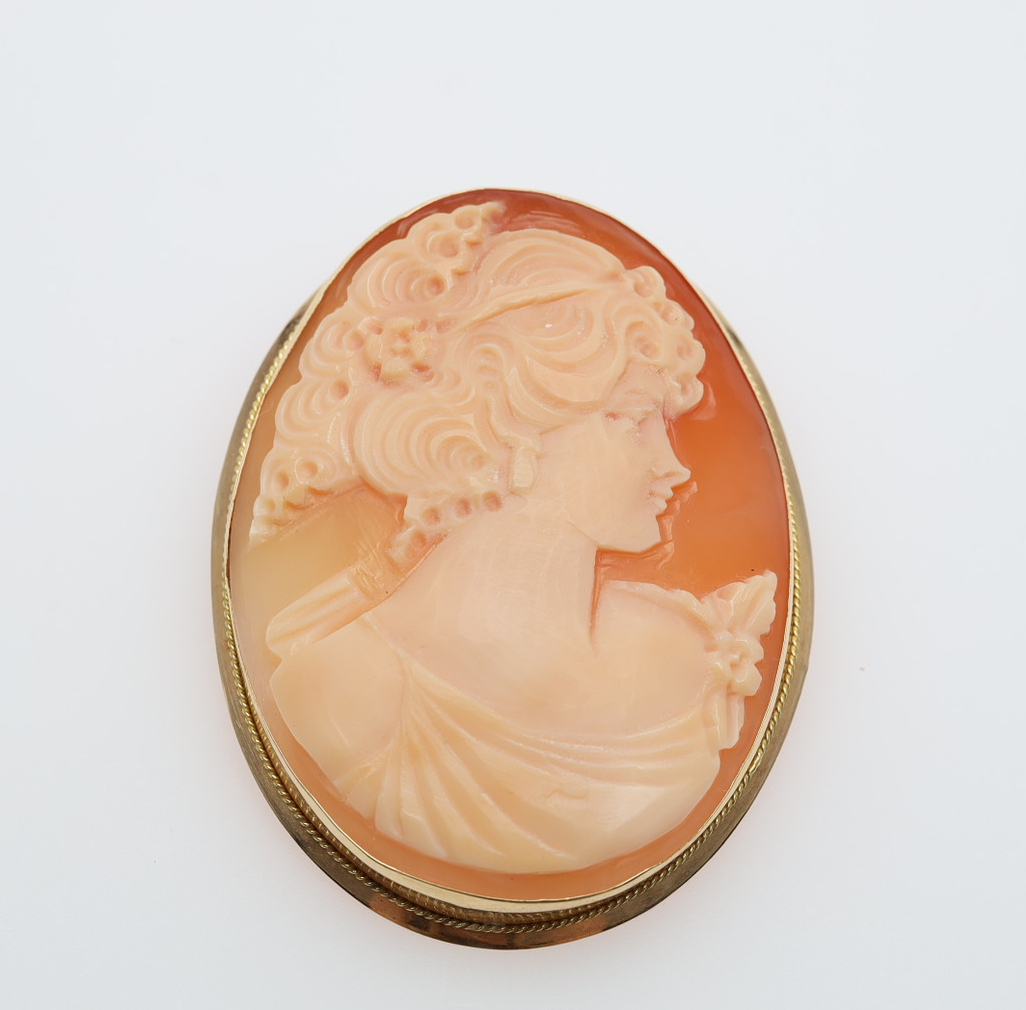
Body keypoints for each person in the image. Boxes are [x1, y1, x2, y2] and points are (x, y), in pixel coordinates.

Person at [250, 202, 776, 875]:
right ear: (509, 430)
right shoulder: (347, 689)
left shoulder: (691, 650)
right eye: (631, 420)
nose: (671, 465)